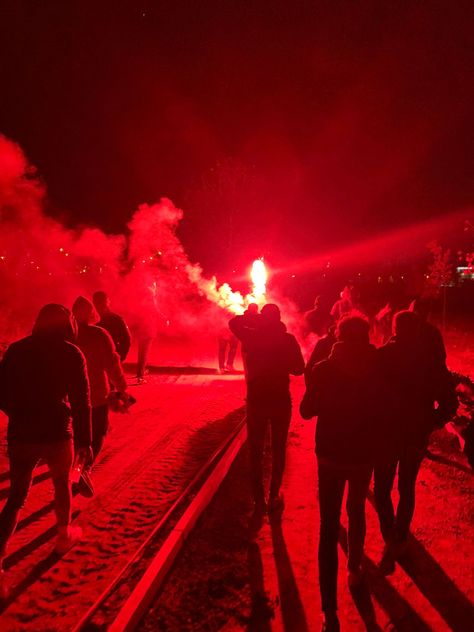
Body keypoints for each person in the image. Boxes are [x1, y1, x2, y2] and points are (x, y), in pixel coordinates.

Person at [0, 304, 92, 593]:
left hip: (22, 433)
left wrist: (16, 413)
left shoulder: (16, 350)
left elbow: (0, 391)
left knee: (16, 497)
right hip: (57, 431)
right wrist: (85, 440)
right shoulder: (71, 353)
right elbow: (81, 400)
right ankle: (64, 535)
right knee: (62, 484)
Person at [300, 314, 381, 632]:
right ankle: (354, 568)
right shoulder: (377, 368)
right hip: (363, 455)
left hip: (331, 456)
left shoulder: (325, 369)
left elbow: (307, 411)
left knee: (328, 527)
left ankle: (328, 611)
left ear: (339, 337)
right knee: (357, 509)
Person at [374, 310, 457, 573]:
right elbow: (449, 402)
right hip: (414, 434)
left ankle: (391, 536)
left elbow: (367, 394)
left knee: (382, 489)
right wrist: (431, 423)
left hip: (386, 434)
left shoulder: (382, 357)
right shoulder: (429, 362)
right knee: (407, 487)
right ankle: (399, 538)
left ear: (395, 329)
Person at [229, 304, 304, 514]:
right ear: (279, 317)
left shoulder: (252, 336)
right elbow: (299, 368)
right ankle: (273, 495)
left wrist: (250, 316)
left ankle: (258, 499)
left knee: (256, 450)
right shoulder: (288, 339)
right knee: (279, 448)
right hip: (280, 399)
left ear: (263, 318)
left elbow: (232, 323)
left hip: (257, 400)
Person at [72, 296, 128, 496]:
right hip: (95, 395)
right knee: (97, 433)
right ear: (91, 313)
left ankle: (75, 471)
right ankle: (80, 471)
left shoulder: (67, 336)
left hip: (70, 397)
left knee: (78, 435)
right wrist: (122, 387)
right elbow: (112, 364)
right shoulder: (99, 334)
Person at [92, 291, 131, 362]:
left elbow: (126, 340)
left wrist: (120, 357)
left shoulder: (116, 319)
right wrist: (120, 357)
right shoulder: (91, 319)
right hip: (99, 359)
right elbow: (126, 340)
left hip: (108, 359)